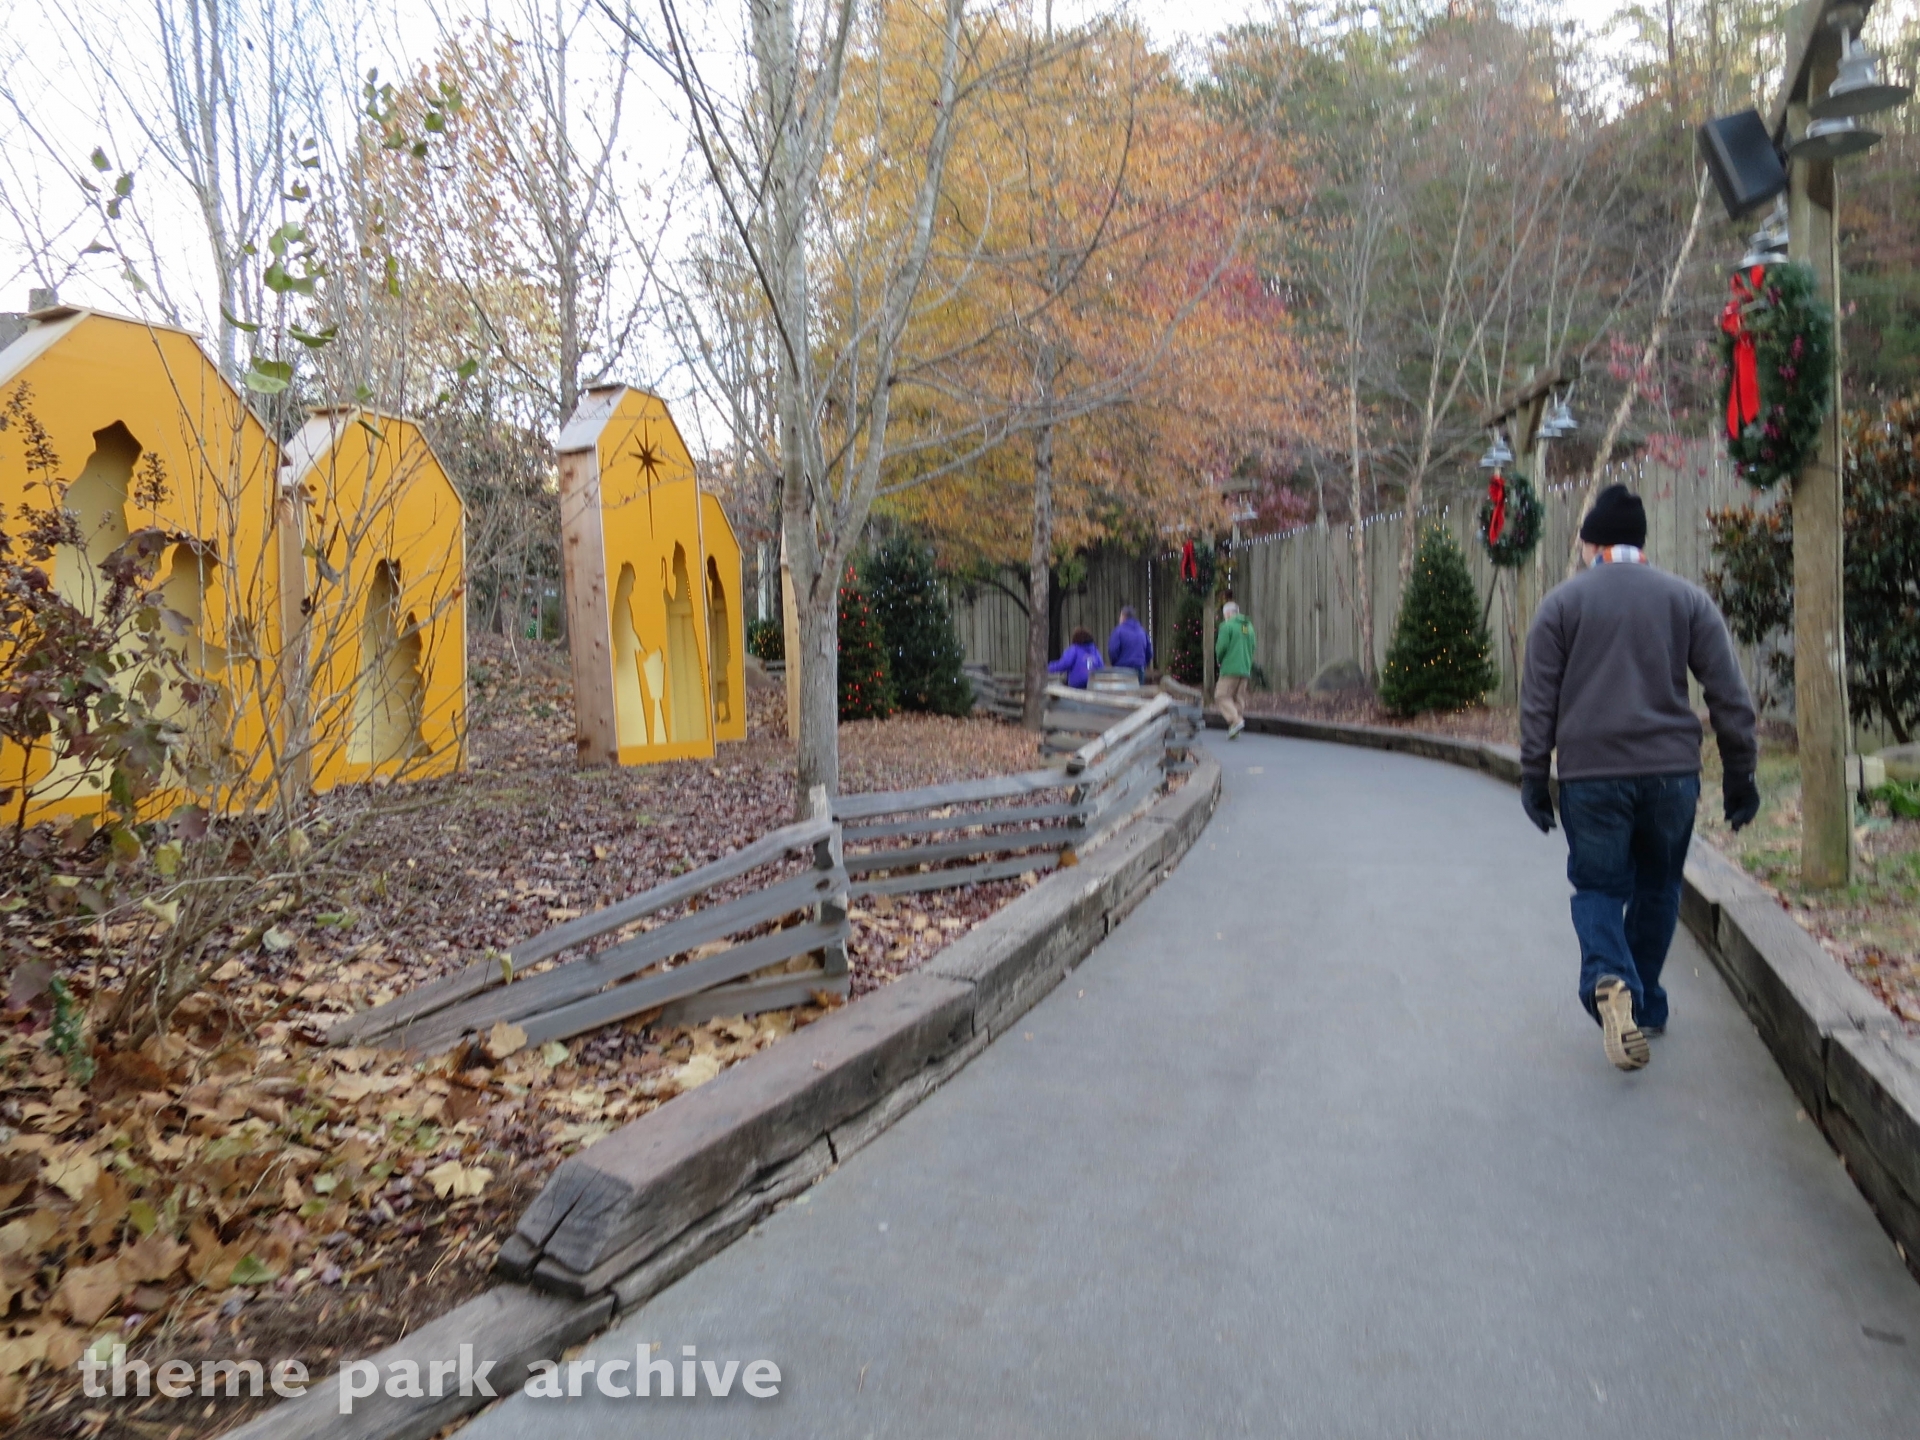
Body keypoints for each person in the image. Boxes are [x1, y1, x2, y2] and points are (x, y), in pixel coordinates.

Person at [1519, 484, 1759, 1073]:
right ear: (1640, 542)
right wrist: (1740, 775)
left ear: (1590, 543)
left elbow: (1538, 701)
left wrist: (1534, 774)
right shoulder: (1687, 600)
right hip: (1671, 774)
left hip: (1593, 776)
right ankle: (1644, 1001)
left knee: (1599, 887)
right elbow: (1729, 695)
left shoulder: (1561, 605)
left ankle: (1609, 976)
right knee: (1659, 887)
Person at [1213, 597, 1256, 739]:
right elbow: (1253, 646)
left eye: (1224, 615)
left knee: (1221, 695)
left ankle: (1236, 720)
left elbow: (1221, 647)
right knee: (1238, 698)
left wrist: (1219, 660)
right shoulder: (1249, 627)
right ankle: (1234, 729)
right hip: (1245, 668)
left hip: (1230, 667)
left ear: (1228, 613)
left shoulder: (1227, 626)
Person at [1107, 605, 1153, 683]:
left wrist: (1115, 664)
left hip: (1122, 669)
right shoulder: (1142, 631)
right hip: (1139, 669)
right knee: (1139, 690)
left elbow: (1113, 650)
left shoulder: (1118, 631)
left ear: (1123, 616)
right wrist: (1143, 664)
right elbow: (1149, 652)